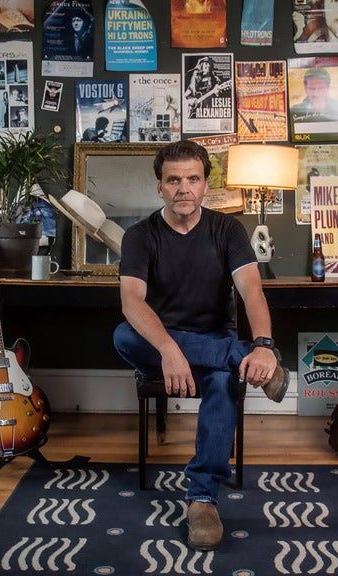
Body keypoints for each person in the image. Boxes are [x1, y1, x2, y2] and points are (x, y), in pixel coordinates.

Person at [113, 141, 288, 552]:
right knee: (123, 334)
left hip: (213, 338)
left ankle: (203, 500)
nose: (183, 188)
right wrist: (169, 350)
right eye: (173, 180)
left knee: (224, 381)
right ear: (160, 187)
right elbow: (132, 302)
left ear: (206, 184)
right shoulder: (140, 236)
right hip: (158, 346)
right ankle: (237, 355)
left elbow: (252, 291)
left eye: (192, 179)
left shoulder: (228, 230)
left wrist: (264, 345)